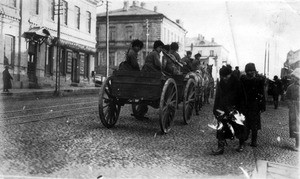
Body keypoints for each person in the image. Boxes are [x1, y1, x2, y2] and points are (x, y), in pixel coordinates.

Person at [211, 65, 247, 155]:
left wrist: (240, 110)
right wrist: (215, 109)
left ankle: (241, 143)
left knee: (238, 127)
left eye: (226, 76)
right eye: (222, 77)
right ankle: (220, 147)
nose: (224, 78)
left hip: (235, 108)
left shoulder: (237, 83)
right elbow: (218, 97)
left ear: (230, 74)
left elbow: (242, 97)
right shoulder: (221, 83)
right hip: (223, 108)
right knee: (221, 127)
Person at [240, 63, 266, 147]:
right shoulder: (245, 80)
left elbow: (262, 93)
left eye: (252, 71)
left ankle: (254, 141)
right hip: (245, 105)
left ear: (254, 71)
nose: (251, 72)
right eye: (249, 71)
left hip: (255, 105)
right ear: (246, 72)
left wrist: (262, 106)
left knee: (254, 125)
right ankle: (245, 137)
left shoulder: (258, 80)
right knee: (245, 123)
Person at [285, 68, 300, 151]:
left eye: (294, 77)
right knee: (296, 126)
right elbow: (287, 97)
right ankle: (297, 144)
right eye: (292, 77)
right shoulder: (290, 87)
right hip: (294, 108)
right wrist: (290, 104)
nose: (293, 79)